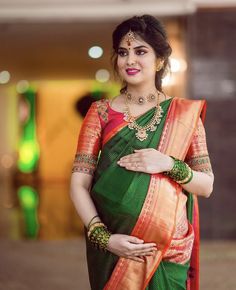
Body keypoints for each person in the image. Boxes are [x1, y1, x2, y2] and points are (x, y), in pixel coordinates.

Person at [70, 14, 214, 290]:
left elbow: (206, 185)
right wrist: (102, 236)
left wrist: (169, 164)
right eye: (123, 52)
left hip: (169, 248)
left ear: (160, 60)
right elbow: (79, 183)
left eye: (140, 51)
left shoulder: (185, 115)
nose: (129, 60)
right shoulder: (100, 113)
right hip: (114, 245)